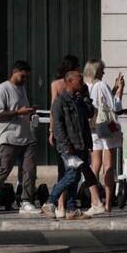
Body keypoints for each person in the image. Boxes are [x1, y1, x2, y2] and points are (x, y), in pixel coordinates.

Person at [44, 71, 106, 220]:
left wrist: (86, 97)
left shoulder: (78, 100)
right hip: (69, 146)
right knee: (72, 175)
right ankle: (50, 201)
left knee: (76, 177)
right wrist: (66, 145)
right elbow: (58, 127)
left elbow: (90, 113)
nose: (82, 83)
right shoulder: (60, 102)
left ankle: (71, 210)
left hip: (81, 144)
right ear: (69, 82)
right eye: (79, 81)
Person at [82, 59, 123, 213]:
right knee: (108, 166)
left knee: (95, 165)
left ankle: (95, 201)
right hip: (106, 129)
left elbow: (99, 103)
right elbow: (114, 107)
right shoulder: (101, 85)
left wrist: (113, 88)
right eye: (102, 70)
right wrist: (120, 90)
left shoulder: (85, 85)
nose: (104, 73)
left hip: (92, 129)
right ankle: (108, 204)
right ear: (96, 71)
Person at [0, 61, 38, 215]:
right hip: (8, 138)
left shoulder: (22, 88)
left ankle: (26, 201)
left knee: (29, 171)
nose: (25, 79)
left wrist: (29, 111)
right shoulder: (2, 89)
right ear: (15, 72)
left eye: (27, 77)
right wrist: (19, 113)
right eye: (23, 76)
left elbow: (21, 110)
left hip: (27, 137)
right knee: (3, 172)